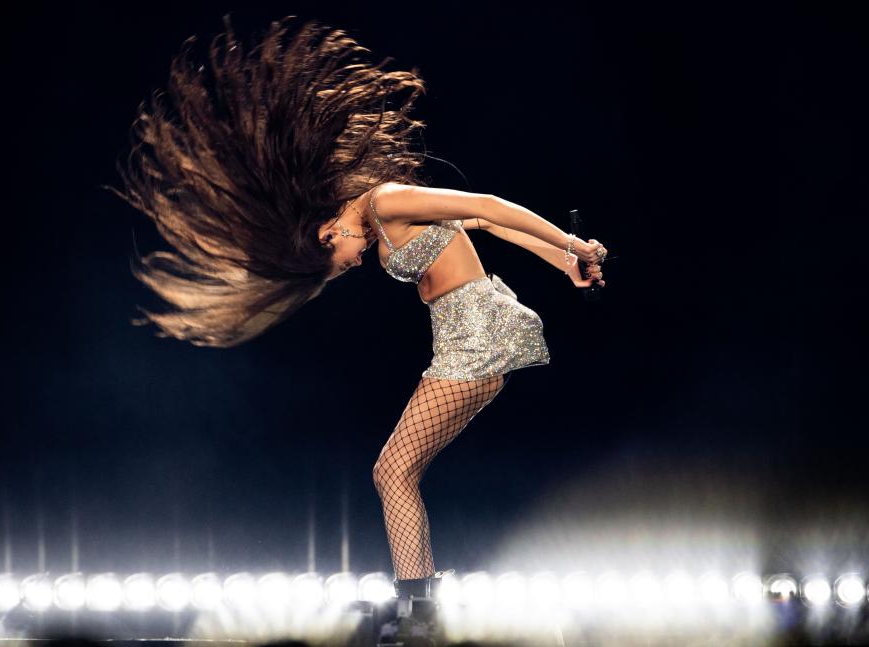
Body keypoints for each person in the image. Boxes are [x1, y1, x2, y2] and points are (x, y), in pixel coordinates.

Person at [102, 14, 608, 604]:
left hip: (478, 333)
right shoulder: (381, 217)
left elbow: (486, 204)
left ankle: (417, 602)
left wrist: (570, 244)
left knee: (391, 472)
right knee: (394, 471)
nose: (352, 264)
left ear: (325, 232)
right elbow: (474, 224)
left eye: (340, 261)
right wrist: (562, 262)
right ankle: (418, 597)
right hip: (466, 334)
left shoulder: (389, 200)